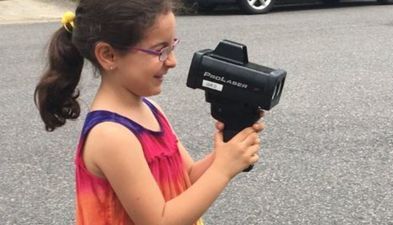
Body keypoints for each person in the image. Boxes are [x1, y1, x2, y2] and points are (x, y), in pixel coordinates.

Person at [34, 0, 265, 224]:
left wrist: (227, 152)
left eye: (172, 46)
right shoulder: (111, 135)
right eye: (160, 51)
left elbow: (187, 178)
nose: (172, 61)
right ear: (108, 55)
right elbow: (160, 220)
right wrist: (222, 170)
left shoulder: (150, 109)